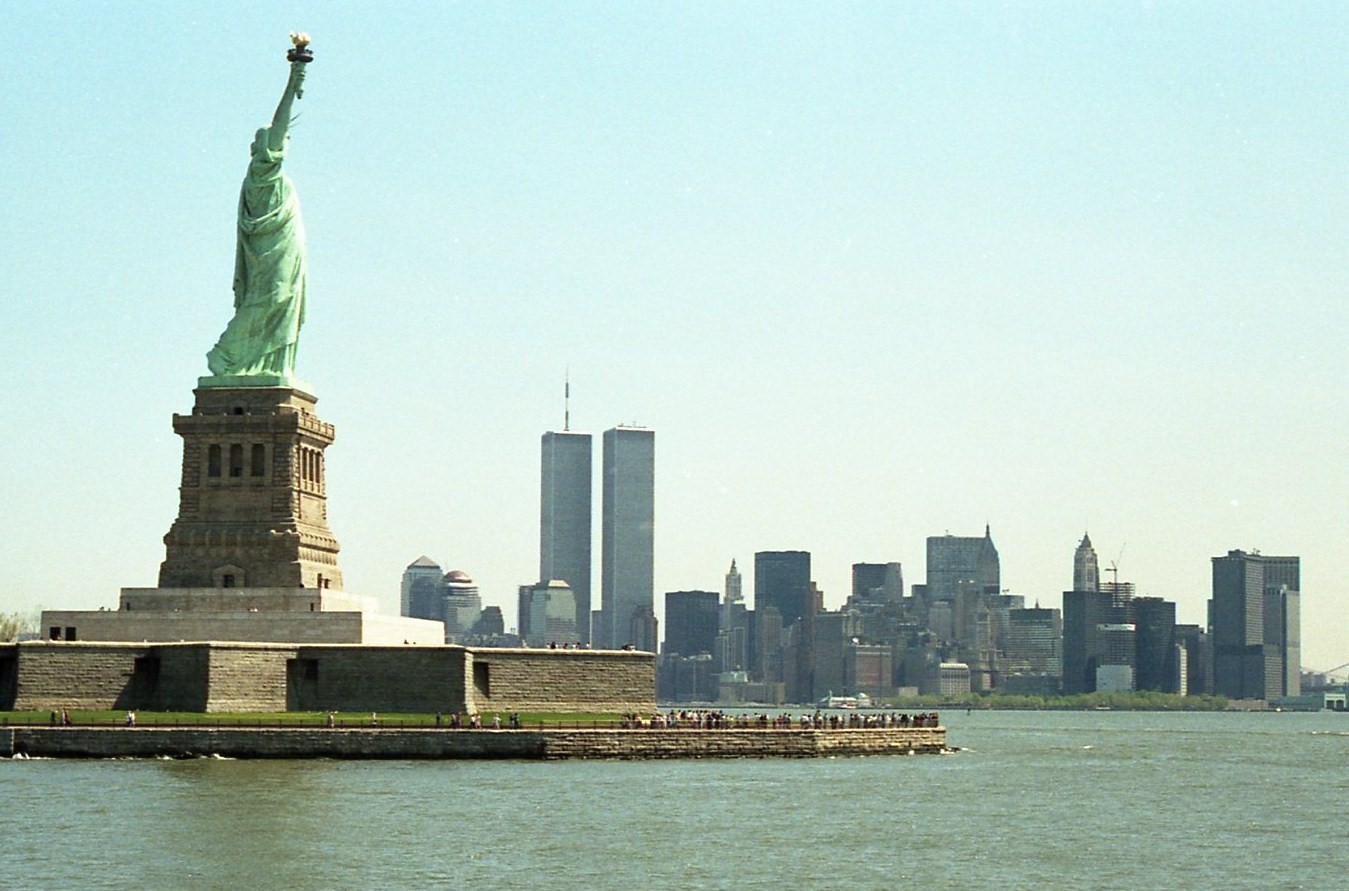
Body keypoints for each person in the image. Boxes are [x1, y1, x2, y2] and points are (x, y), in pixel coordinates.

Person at [205, 59, 310, 380]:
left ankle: (273, 366)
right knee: (272, 299)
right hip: (269, 253)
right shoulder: (263, 172)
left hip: (283, 249)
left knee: (282, 301)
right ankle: (225, 354)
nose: (282, 143)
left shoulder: (267, 178)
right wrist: (293, 82)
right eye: (274, 141)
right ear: (263, 149)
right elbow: (279, 126)